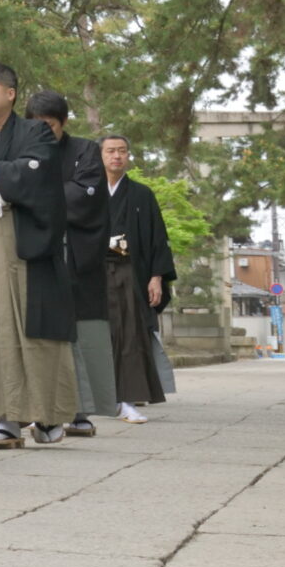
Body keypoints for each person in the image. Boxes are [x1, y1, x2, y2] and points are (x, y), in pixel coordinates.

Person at [0, 62, 79, 448]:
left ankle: (46, 416)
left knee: (34, 330)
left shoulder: (37, 131)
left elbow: (37, 173)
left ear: (10, 93)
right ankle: (4, 417)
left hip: (28, 240)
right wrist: (3, 171)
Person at [25, 91, 119, 436]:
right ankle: (38, 409)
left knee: (81, 334)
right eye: (34, 126)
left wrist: (36, 195)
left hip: (75, 255)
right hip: (32, 251)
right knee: (38, 335)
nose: (42, 133)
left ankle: (81, 411)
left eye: (48, 126)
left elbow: (86, 195)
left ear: (63, 123)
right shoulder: (23, 149)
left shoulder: (85, 151)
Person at [101, 135, 175, 419]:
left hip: (131, 270)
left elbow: (158, 238)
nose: (116, 156)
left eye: (122, 151)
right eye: (110, 151)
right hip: (94, 273)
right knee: (97, 335)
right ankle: (98, 397)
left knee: (131, 334)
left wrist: (156, 277)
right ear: (100, 156)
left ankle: (128, 398)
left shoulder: (142, 194)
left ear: (128, 156)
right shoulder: (88, 191)